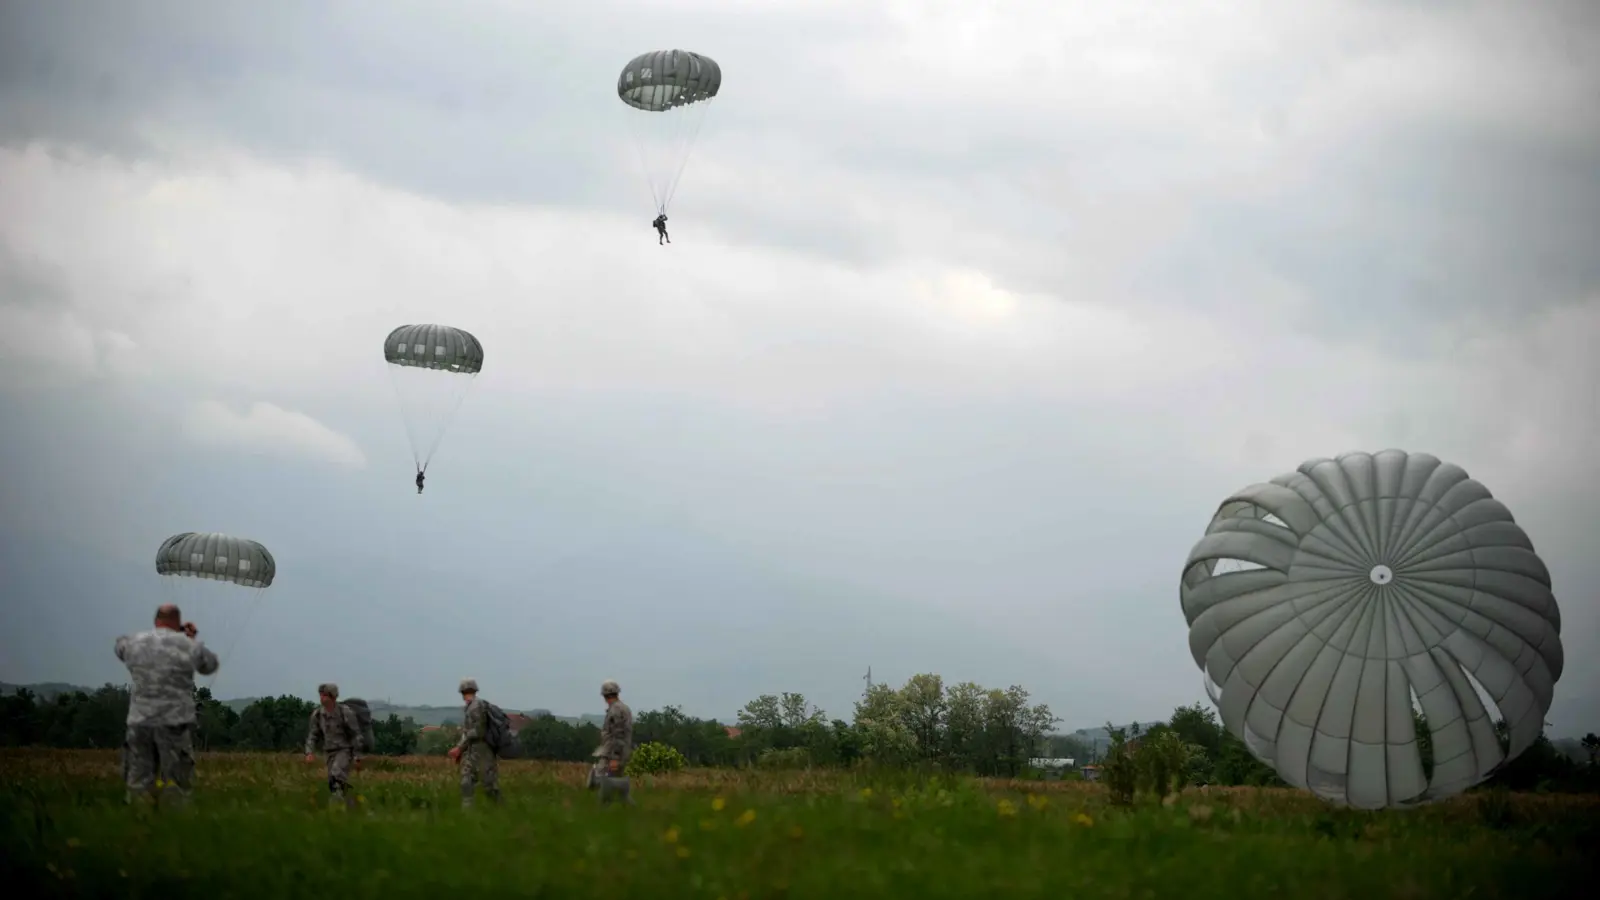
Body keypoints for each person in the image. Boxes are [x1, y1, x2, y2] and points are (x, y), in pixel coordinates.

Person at [114, 603, 219, 807]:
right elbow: (210, 665)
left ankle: (139, 822)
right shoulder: (188, 645)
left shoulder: (135, 642)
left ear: (155, 621)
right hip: (174, 723)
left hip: (139, 722)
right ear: (178, 622)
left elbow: (119, 647)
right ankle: (174, 825)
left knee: (138, 780)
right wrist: (188, 639)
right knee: (176, 781)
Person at [302, 683, 363, 809]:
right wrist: (309, 752)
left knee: (337, 774)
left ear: (333, 697)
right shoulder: (318, 715)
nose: (322, 698)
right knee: (332, 781)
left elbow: (355, 734)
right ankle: (350, 803)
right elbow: (313, 735)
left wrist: (357, 756)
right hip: (329, 752)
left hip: (344, 750)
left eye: (325, 695)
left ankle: (336, 805)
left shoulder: (344, 712)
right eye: (321, 695)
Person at [447, 678, 501, 807]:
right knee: (466, 781)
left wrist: (459, 748)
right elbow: (469, 732)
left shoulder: (476, 707)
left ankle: (500, 810)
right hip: (472, 750)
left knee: (489, 785)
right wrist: (461, 748)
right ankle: (467, 813)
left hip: (483, 750)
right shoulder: (471, 707)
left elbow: (478, 731)